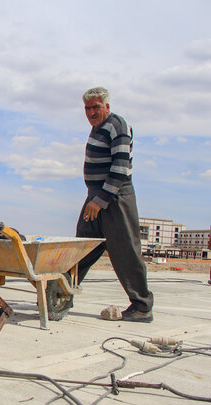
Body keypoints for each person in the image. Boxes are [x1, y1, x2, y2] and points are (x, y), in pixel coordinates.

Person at [71, 87, 154, 322]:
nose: (91, 112)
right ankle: (61, 293)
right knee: (82, 248)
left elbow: (121, 166)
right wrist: (94, 198)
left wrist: (101, 200)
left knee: (125, 251)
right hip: (96, 196)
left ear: (107, 106)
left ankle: (142, 306)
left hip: (114, 196)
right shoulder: (98, 128)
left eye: (96, 107)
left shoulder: (117, 125)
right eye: (87, 108)